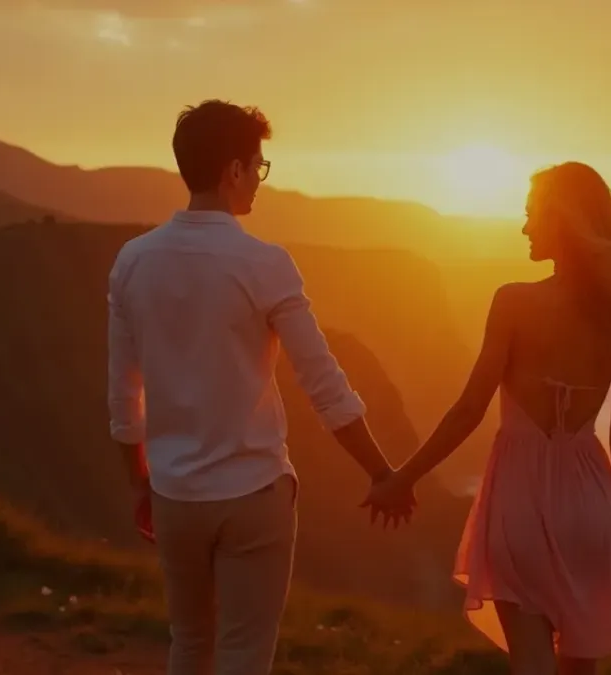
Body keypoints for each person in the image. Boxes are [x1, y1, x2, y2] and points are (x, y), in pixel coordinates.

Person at [106, 99, 414, 675]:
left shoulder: (132, 262)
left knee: (189, 644)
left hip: (174, 495)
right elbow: (324, 383)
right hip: (253, 495)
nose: (261, 181)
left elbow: (125, 399)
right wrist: (380, 472)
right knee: (245, 657)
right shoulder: (264, 263)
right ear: (233, 171)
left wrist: (140, 485)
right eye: (259, 166)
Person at [364, 162, 611, 675]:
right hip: (594, 512)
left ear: (560, 221)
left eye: (530, 216)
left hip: (521, 504)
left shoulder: (514, 302)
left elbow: (468, 411)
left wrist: (401, 478)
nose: (524, 228)